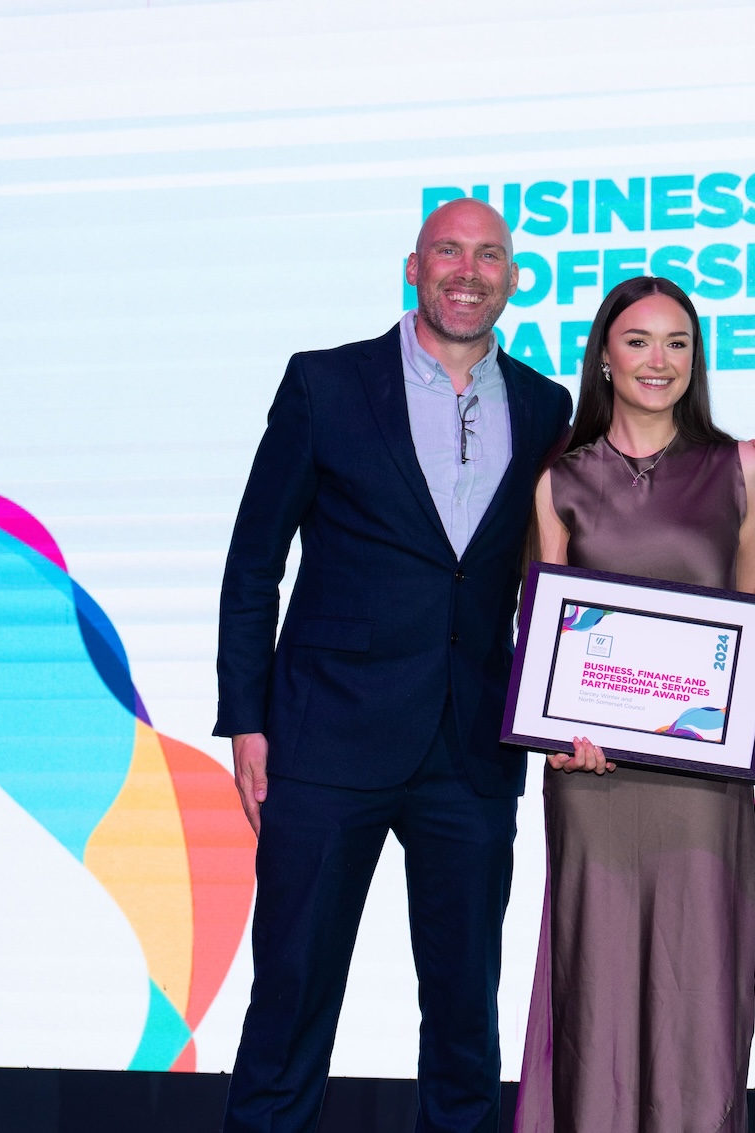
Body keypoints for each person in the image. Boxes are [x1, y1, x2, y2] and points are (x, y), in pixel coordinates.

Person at [214, 198, 573, 1132]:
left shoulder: (545, 404)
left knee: (464, 1023)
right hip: (326, 740)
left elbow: (565, 563)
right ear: (412, 267)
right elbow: (256, 560)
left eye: (489, 255)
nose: (469, 269)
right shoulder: (326, 384)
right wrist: (247, 720)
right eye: (449, 251)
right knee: (291, 1004)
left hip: (473, 748)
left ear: (513, 278)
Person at [514, 276, 755, 1133]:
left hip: (700, 783)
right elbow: (542, 628)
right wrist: (558, 738)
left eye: (678, 343)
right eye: (638, 341)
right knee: (595, 987)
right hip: (593, 781)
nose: (658, 361)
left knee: (697, 986)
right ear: (602, 355)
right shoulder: (559, 480)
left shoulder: (742, 468)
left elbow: (754, 612)